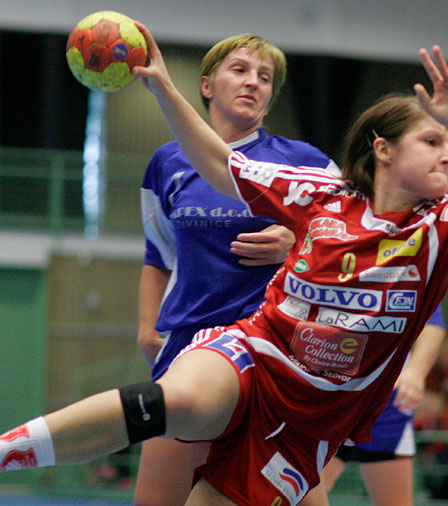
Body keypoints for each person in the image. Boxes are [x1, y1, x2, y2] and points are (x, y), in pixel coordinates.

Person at [0, 24, 448, 506]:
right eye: (433, 142)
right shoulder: (319, 195)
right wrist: (162, 85)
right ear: (383, 149)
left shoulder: (446, 223)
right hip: (255, 351)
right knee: (175, 399)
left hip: (313, 415)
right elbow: (220, 167)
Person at [135, 33, 338, 506]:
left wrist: (296, 243)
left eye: (265, 78)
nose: (253, 83)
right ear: (206, 85)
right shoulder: (167, 163)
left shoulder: (306, 163)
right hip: (189, 349)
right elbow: (156, 254)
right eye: (240, 70)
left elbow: (349, 250)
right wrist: (148, 330)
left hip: (274, 352)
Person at [300, 305, 446, 506]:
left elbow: (433, 323)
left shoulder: (410, 275)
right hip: (332, 396)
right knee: (300, 493)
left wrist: (416, 371)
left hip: (386, 401)